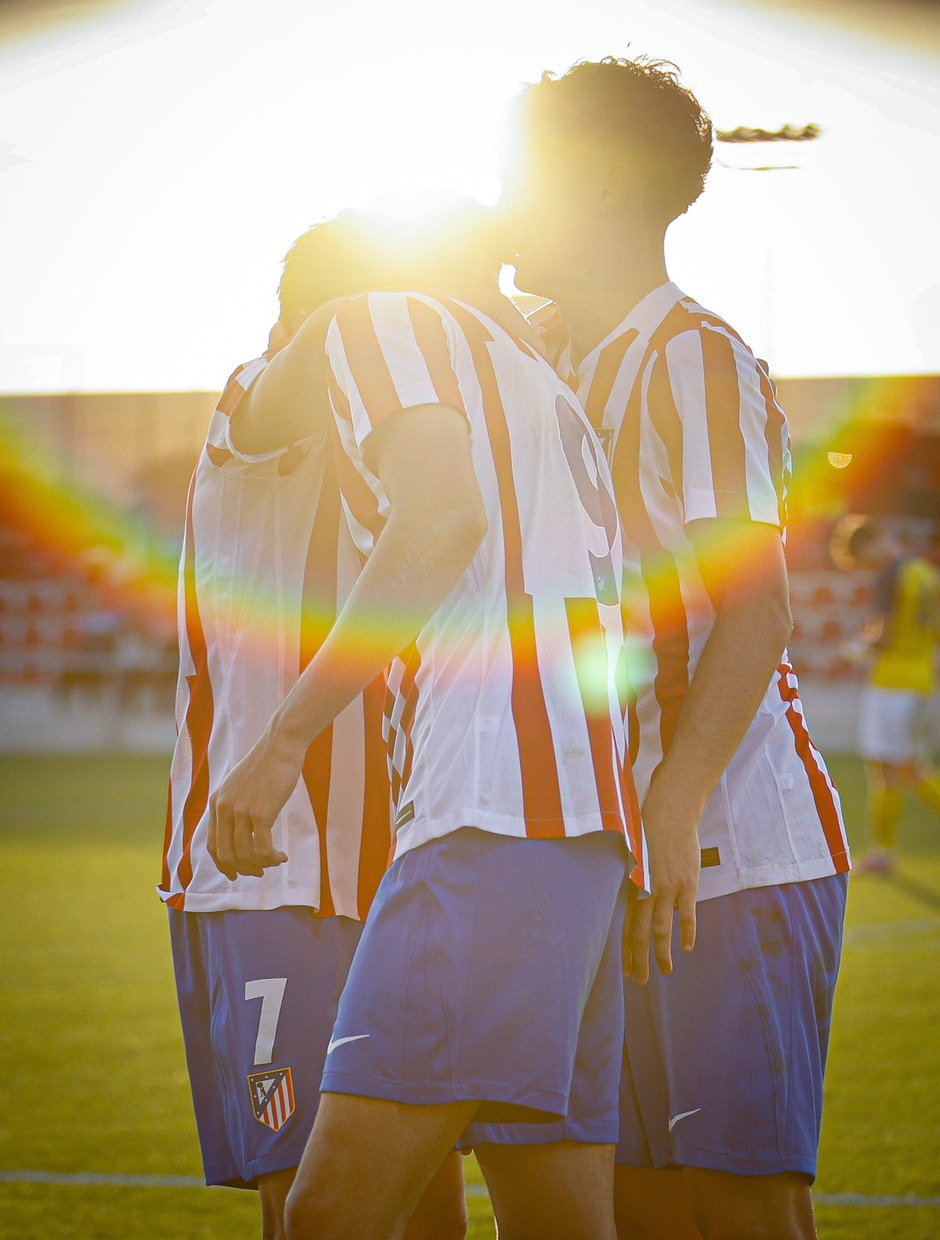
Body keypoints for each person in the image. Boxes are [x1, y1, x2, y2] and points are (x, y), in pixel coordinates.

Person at [208, 198, 646, 1240]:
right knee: (558, 1219)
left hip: (488, 812)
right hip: (578, 825)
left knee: (332, 1218)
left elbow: (441, 517)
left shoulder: (383, 320)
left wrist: (284, 739)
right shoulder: (536, 377)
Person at [499, 56, 851, 1240]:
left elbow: (754, 608)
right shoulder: (541, 355)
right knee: (634, 1211)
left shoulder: (689, 355)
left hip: (722, 854)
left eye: (523, 169)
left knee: (738, 1214)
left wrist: (676, 800)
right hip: (610, 861)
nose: (501, 195)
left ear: (599, 186)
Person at [160, 215, 468, 1240]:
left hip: (404, 861)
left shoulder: (409, 446)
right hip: (273, 867)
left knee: (423, 1192)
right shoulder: (259, 399)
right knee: (310, 1195)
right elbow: (334, 339)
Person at [836, 518, 940, 872]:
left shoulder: (890, 575)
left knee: (893, 771)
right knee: (903, 769)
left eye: (862, 560)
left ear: (867, 545)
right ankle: (882, 852)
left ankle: (881, 852)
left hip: (892, 684)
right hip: (921, 679)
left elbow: (883, 635)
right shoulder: (925, 571)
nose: (866, 568)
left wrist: (856, 648)